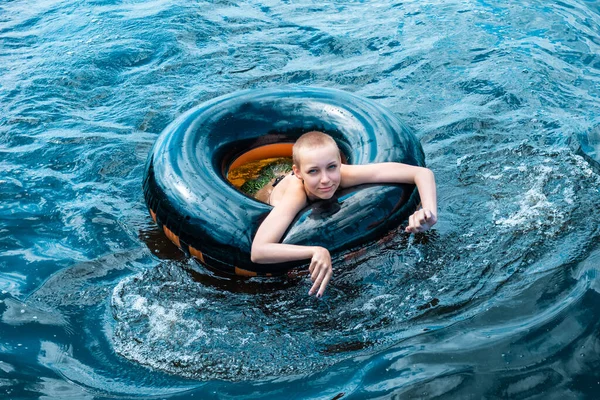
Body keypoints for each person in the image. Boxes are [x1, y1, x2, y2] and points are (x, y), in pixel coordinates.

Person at [251, 131, 437, 298]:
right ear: (298, 173)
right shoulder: (295, 196)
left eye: (331, 167)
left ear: (340, 162)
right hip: (270, 191)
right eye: (313, 171)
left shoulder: (344, 175)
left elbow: (421, 173)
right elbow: (258, 251)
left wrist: (428, 212)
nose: (325, 179)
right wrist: (316, 250)